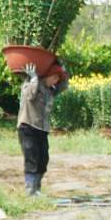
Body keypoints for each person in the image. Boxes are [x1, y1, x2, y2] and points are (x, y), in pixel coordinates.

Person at [17, 60, 69, 196]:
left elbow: (64, 86)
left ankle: (37, 189)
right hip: (28, 126)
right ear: (48, 75)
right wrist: (34, 77)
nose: (56, 81)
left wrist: (64, 71)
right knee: (31, 159)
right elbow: (29, 95)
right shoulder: (31, 83)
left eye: (58, 79)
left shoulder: (50, 91)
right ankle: (30, 191)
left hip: (42, 129)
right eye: (55, 77)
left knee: (43, 160)